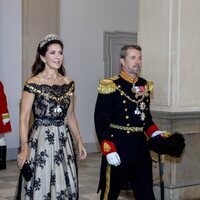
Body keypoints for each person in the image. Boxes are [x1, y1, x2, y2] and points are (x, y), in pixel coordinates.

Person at [15, 34, 87, 200]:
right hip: (40, 141)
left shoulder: (69, 83)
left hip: (63, 140)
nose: (57, 57)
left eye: (60, 53)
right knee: (43, 179)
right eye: (53, 53)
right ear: (43, 57)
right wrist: (24, 147)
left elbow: (70, 115)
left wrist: (79, 140)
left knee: (64, 182)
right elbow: (24, 118)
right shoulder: (33, 83)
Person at [94, 44, 168, 200]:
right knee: (110, 193)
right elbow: (101, 122)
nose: (137, 62)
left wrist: (154, 132)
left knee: (146, 192)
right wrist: (108, 149)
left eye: (139, 58)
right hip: (118, 145)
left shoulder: (144, 85)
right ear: (122, 61)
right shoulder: (111, 85)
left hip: (140, 147)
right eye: (133, 58)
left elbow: (146, 118)